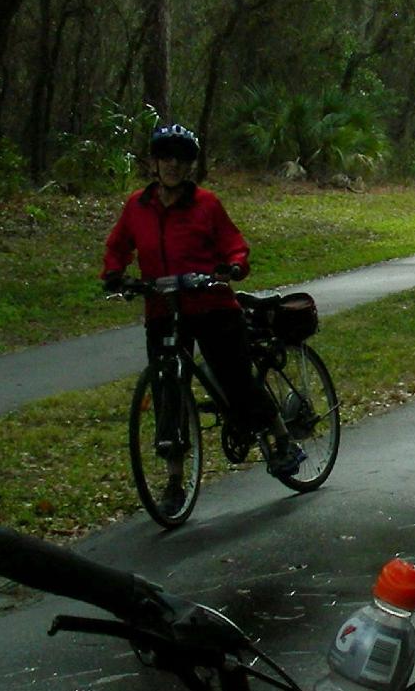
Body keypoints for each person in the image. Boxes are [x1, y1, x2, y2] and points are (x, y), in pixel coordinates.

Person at [101, 122, 301, 497]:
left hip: (211, 306)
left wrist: (234, 265)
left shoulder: (206, 204)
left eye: (180, 159)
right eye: (165, 157)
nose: (172, 165)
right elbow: (119, 246)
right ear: (154, 163)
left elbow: (233, 243)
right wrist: (114, 273)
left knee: (236, 379)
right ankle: (175, 478)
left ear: (190, 165)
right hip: (162, 309)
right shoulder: (137, 206)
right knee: (167, 392)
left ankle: (282, 438)